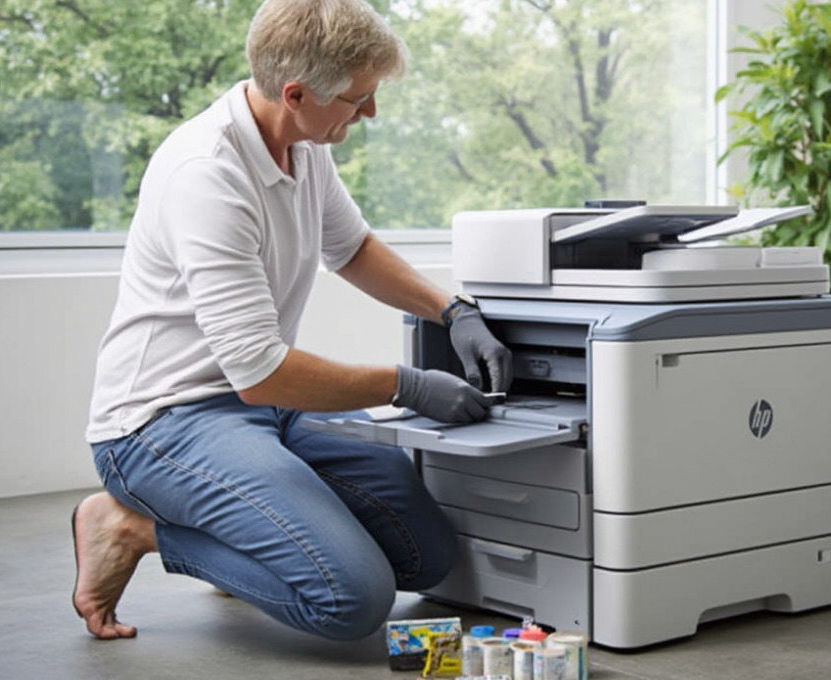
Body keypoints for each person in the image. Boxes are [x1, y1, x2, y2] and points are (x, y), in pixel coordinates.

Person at [72, 0, 512, 641]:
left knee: (428, 560)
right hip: (163, 421)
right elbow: (258, 371)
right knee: (353, 601)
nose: (370, 113)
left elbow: (352, 248)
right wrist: (407, 385)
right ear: (297, 93)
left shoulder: (303, 145)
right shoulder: (207, 175)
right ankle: (130, 528)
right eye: (358, 99)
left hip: (267, 407)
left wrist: (454, 311)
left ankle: (247, 530)